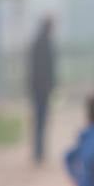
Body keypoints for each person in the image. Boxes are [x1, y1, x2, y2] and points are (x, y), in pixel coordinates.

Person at [27, 16, 57, 165]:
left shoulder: (37, 42)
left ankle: (39, 152)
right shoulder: (44, 43)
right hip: (42, 89)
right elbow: (46, 69)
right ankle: (39, 152)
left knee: (39, 120)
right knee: (41, 120)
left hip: (38, 88)